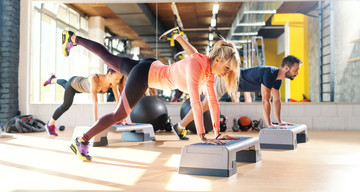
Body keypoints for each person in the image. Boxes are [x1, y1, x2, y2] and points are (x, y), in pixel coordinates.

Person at [61, 29, 241, 161]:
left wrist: (217, 134)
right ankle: (81, 140)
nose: (227, 73)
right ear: (217, 59)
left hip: (149, 66)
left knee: (108, 56)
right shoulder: (197, 65)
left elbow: (213, 101)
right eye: (227, 67)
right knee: (120, 115)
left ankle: (74, 38)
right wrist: (202, 136)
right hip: (145, 75)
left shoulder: (208, 71)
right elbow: (195, 102)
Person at [166, 27, 302, 140]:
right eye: (296, 70)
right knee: (205, 103)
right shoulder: (270, 73)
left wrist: (280, 121)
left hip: (227, 78)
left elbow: (276, 101)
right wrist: (270, 124)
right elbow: (266, 101)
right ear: (286, 68)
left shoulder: (277, 80)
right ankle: (180, 126)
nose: (297, 73)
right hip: (226, 78)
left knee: (198, 59)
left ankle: (179, 41)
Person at [43, 68, 124, 136]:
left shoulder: (113, 83)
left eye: (119, 79)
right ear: (109, 75)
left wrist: (124, 118)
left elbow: (118, 99)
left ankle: (52, 79)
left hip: (81, 87)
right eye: (116, 78)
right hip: (74, 84)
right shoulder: (94, 79)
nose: (118, 81)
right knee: (66, 105)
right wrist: (96, 123)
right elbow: (95, 101)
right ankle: (49, 124)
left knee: (64, 83)